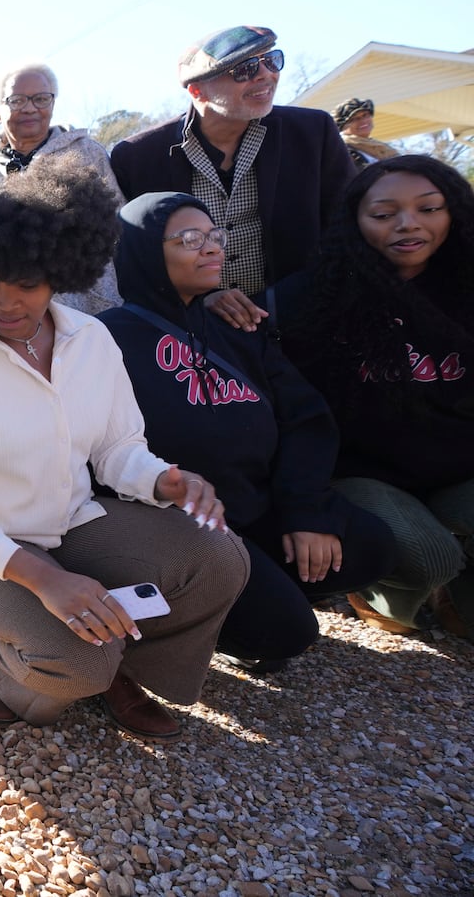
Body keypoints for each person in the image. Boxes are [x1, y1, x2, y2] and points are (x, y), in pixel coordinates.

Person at [0, 165, 250, 739]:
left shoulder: (92, 340)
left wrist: (165, 481)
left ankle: (118, 663)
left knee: (218, 558)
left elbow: (117, 449)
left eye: (28, 284)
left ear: (60, 272)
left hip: (71, 524)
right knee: (70, 671)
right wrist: (43, 579)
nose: (7, 304)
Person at [100, 192, 396, 672]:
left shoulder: (236, 325)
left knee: (371, 545)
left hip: (259, 505)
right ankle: (200, 620)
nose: (213, 248)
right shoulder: (105, 338)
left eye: (215, 236)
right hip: (184, 526)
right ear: (145, 249)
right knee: (286, 633)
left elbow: (304, 418)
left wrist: (306, 511)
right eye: (190, 239)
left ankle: (266, 592)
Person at [272, 155, 474, 638]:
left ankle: (459, 602)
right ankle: (387, 594)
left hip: (459, 467)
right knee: (429, 556)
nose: (409, 224)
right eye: (384, 214)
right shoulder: (311, 297)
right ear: (355, 221)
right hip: (362, 473)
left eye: (429, 208)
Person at [110, 25, 355, 331]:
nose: (265, 75)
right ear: (198, 91)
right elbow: (137, 258)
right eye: (245, 69)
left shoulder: (312, 132)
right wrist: (203, 297)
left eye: (271, 60)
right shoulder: (138, 156)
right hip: (197, 332)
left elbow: (346, 229)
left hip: (305, 320)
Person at [0, 63, 121, 313]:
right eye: (17, 100)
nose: (31, 108)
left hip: (91, 310)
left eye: (41, 99)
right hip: (16, 316)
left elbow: (119, 227)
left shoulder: (87, 154)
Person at [331, 97, 400, 168]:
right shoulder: (343, 150)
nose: (363, 121)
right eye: (354, 119)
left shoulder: (382, 147)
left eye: (365, 115)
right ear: (342, 126)